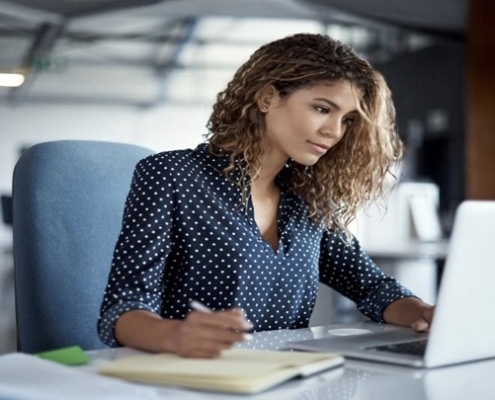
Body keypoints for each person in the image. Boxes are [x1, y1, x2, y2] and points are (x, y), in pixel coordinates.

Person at [98, 33, 434, 358]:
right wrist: (175, 335)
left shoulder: (309, 199)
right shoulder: (171, 174)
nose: (334, 132)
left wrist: (425, 313)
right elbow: (123, 309)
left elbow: (374, 289)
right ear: (268, 98)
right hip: (191, 379)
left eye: (346, 119)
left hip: (284, 379)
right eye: (321, 109)